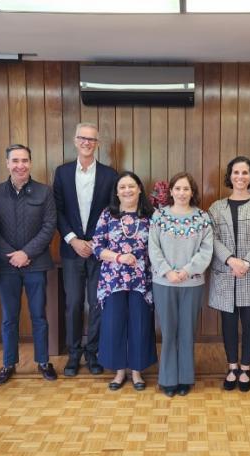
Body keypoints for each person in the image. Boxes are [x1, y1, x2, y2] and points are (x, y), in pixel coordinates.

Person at [0, 144, 58, 385]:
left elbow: (49, 226)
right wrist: (12, 255)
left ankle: (43, 362)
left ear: (30, 163)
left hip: (36, 264)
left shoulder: (44, 191)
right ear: (7, 163)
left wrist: (26, 253)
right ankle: (8, 363)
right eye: (15, 161)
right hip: (7, 266)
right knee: (9, 317)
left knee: (39, 315)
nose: (20, 165)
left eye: (25, 160)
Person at [53, 123, 118, 377]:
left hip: (99, 251)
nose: (87, 142)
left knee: (97, 304)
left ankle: (93, 353)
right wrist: (72, 239)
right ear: (75, 140)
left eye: (92, 139)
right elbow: (57, 210)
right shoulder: (62, 173)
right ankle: (73, 355)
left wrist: (96, 243)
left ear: (98, 143)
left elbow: (112, 212)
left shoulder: (110, 175)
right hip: (71, 251)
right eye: (82, 138)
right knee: (74, 304)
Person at [208, 156, 250, 392]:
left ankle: (245, 368)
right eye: (236, 172)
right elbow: (211, 238)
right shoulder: (216, 207)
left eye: (245, 173)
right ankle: (232, 366)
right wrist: (230, 260)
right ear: (230, 176)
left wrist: (246, 262)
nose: (240, 177)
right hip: (225, 272)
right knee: (227, 323)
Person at [149, 172, 214, 397]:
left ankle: (185, 377)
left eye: (186, 189)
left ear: (192, 192)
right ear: (171, 192)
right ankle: (167, 379)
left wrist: (186, 271)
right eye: (177, 188)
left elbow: (207, 250)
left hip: (192, 283)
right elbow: (153, 248)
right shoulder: (158, 216)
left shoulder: (203, 218)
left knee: (187, 332)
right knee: (168, 332)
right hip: (164, 282)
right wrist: (168, 272)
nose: (182, 193)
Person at [92, 171, 157, 391]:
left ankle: (137, 372)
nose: (127, 190)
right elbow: (97, 247)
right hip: (113, 279)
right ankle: (119, 372)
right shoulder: (107, 215)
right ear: (117, 192)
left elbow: (160, 247)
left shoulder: (152, 215)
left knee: (140, 324)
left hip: (142, 279)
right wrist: (119, 257)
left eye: (131, 186)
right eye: (122, 187)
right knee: (114, 324)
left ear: (140, 189)